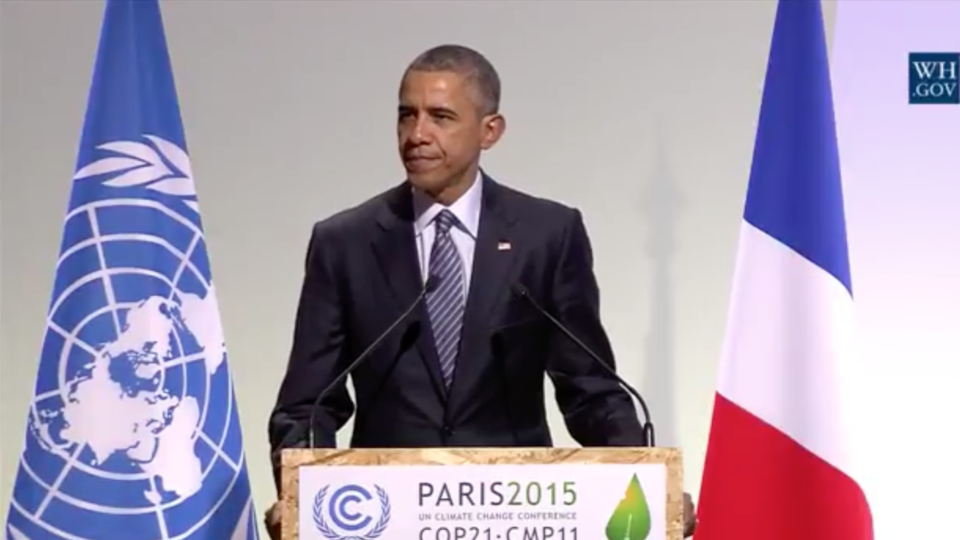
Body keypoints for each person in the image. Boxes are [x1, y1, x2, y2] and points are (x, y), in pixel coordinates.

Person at [264, 44, 696, 538]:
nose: (417, 135)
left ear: (490, 131)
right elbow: (308, 405)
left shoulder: (546, 234)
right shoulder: (345, 242)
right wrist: (300, 492)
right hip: (387, 518)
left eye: (441, 117)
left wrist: (646, 477)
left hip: (514, 516)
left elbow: (590, 391)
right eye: (407, 116)